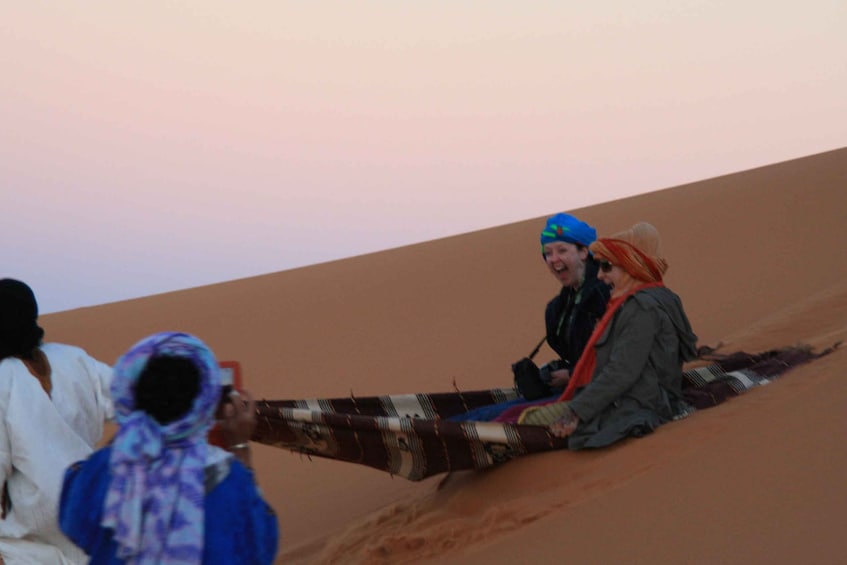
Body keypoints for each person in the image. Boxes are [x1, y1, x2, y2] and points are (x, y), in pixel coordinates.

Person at [59, 331, 279, 564]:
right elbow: (259, 548)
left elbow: (74, 527)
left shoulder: (100, 470)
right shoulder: (232, 479)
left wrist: (130, 433)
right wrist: (240, 446)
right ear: (206, 404)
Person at [499, 222, 698, 450]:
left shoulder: (642, 308)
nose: (600, 275)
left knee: (521, 423)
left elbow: (621, 371)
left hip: (636, 404)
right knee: (511, 415)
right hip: (626, 397)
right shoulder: (646, 299)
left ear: (629, 267)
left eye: (606, 267)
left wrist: (576, 412)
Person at [450, 213, 610, 421]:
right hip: (574, 388)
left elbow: (621, 357)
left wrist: (572, 375)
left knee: (499, 419)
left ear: (583, 251)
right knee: (477, 414)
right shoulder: (562, 305)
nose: (554, 259)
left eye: (562, 250)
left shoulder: (605, 293)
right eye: (548, 253)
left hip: (596, 395)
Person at [0, 278, 114, 564]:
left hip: (28, 548)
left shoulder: (2, 379)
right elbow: (137, 399)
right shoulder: (76, 360)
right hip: (89, 528)